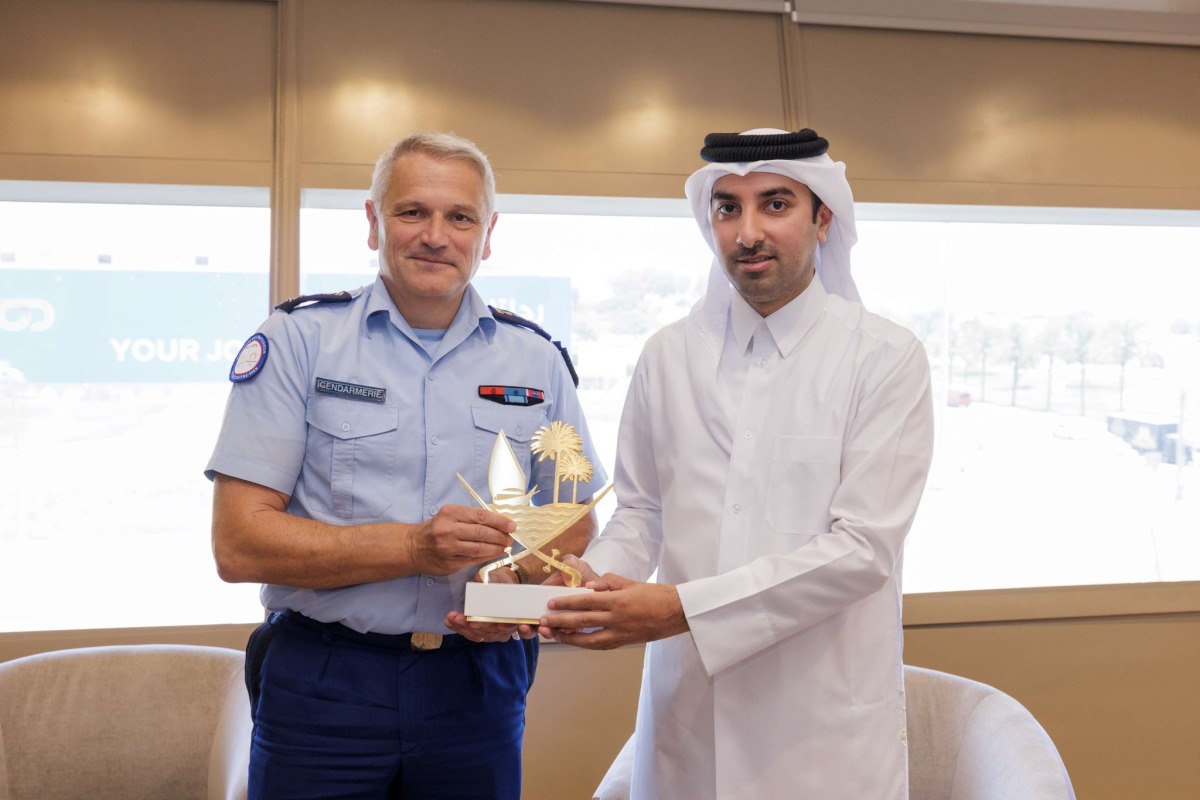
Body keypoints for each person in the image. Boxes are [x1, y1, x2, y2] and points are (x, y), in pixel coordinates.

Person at [205, 131, 605, 800]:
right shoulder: (299, 341)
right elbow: (239, 544)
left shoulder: (534, 359)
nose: (435, 236)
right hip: (326, 682)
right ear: (373, 222)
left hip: (478, 680)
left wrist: (512, 583)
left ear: (488, 234)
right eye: (412, 212)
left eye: (460, 217)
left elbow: (572, 516)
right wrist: (417, 547)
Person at [540, 128, 935, 799]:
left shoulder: (883, 358)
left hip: (818, 732)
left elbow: (863, 548)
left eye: (775, 204)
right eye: (727, 208)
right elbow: (642, 513)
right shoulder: (668, 355)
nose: (748, 231)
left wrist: (683, 611)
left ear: (823, 218)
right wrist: (582, 592)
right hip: (686, 721)